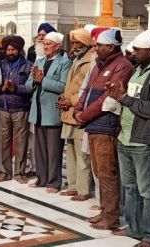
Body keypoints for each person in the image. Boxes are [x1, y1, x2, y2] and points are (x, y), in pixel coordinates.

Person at [107, 30, 150, 247]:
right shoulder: (137, 70)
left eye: (138, 49)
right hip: (126, 138)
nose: (134, 52)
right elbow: (128, 99)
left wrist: (124, 98)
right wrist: (118, 95)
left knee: (147, 192)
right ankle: (135, 228)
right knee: (129, 188)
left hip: (143, 140)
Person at [74, 28, 133, 231]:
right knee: (99, 172)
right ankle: (105, 210)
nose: (95, 48)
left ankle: (112, 217)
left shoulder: (122, 65)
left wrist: (84, 114)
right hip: (93, 125)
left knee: (107, 173)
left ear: (110, 46)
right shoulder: (100, 63)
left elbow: (107, 99)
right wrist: (78, 108)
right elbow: (88, 90)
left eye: (99, 45)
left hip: (106, 125)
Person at [27, 31, 71, 193]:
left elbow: (63, 86)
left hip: (52, 111)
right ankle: (41, 179)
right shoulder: (39, 61)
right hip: (37, 110)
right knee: (39, 149)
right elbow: (28, 84)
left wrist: (42, 80)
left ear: (58, 46)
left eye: (49, 44)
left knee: (54, 150)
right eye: (44, 43)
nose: (45, 46)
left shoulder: (65, 63)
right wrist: (34, 81)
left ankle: (53, 182)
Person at [58, 28, 94, 201]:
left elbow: (87, 90)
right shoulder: (77, 59)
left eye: (77, 42)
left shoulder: (91, 61)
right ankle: (72, 186)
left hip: (79, 112)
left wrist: (70, 101)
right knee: (70, 151)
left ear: (86, 43)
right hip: (69, 112)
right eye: (72, 43)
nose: (74, 46)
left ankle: (83, 189)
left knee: (82, 154)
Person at [0, 35, 32, 183]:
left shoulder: (28, 65)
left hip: (21, 108)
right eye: (8, 50)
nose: (10, 52)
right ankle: (4, 172)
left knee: (21, 142)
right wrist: (2, 88)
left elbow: (30, 88)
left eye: (13, 50)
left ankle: (19, 173)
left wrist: (15, 88)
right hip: (3, 108)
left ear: (19, 50)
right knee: (3, 142)